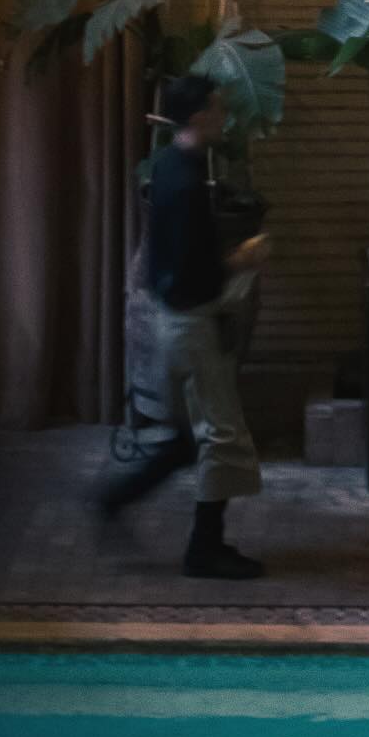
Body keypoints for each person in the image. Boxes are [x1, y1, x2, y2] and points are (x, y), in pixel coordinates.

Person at [97, 74, 268, 580]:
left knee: (187, 439)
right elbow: (192, 272)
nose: (224, 115)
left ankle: (115, 500)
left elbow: (169, 259)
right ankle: (204, 549)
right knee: (221, 437)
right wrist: (241, 259)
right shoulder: (188, 182)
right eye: (216, 107)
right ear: (197, 116)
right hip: (191, 323)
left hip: (171, 319)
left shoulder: (170, 165)